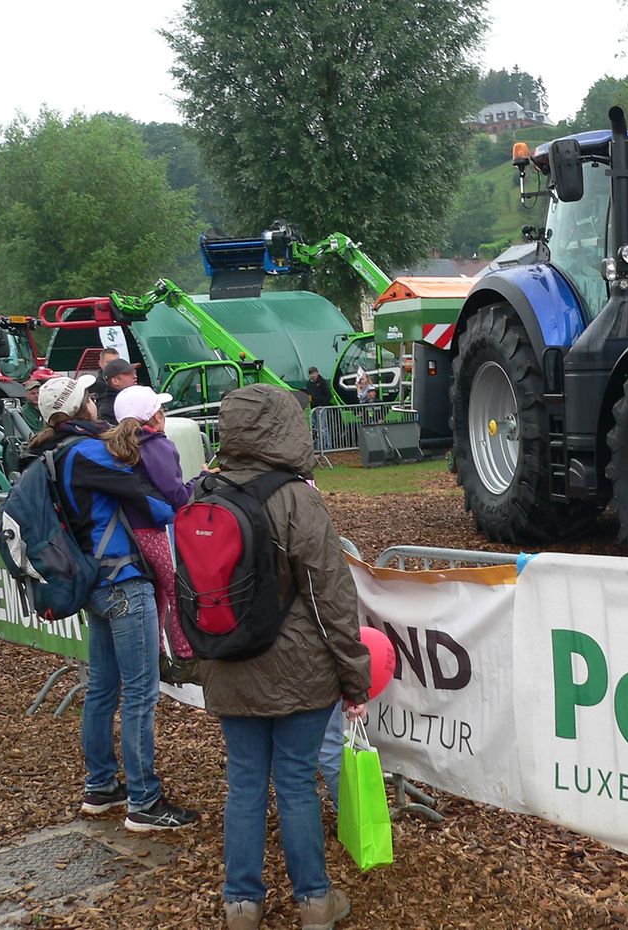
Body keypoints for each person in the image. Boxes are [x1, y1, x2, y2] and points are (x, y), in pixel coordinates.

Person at [201, 383, 370, 930]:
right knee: (296, 782)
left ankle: (241, 905)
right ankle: (315, 902)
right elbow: (333, 598)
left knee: (245, 782)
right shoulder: (298, 498)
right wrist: (354, 679)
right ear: (284, 428)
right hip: (299, 670)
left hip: (228, 665)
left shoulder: (204, 495)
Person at [28, 376, 198, 832]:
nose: (94, 401)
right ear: (76, 408)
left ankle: (101, 786)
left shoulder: (50, 455)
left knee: (103, 689)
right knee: (141, 693)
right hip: (123, 579)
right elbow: (150, 500)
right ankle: (145, 800)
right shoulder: (88, 451)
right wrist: (182, 502)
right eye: (88, 397)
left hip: (92, 585)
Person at [103, 385, 205, 682]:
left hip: (129, 528)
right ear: (155, 416)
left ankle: (158, 656)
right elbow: (176, 495)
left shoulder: (121, 445)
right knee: (176, 589)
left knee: (158, 591)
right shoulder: (156, 445)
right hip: (151, 529)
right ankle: (186, 657)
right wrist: (201, 480)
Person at [96, 358, 140, 425]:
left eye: (134, 372)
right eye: (128, 373)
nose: (135, 376)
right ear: (115, 381)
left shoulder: (136, 398)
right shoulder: (107, 410)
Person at [302, 367, 334, 453]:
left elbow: (328, 396)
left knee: (323, 427)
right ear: (310, 375)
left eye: (315, 373)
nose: (314, 375)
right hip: (313, 409)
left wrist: (321, 403)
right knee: (314, 429)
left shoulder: (322, 382)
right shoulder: (309, 384)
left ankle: (327, 447)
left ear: (317, 373)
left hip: (321, 408)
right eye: (312, 374)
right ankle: (316, 447)